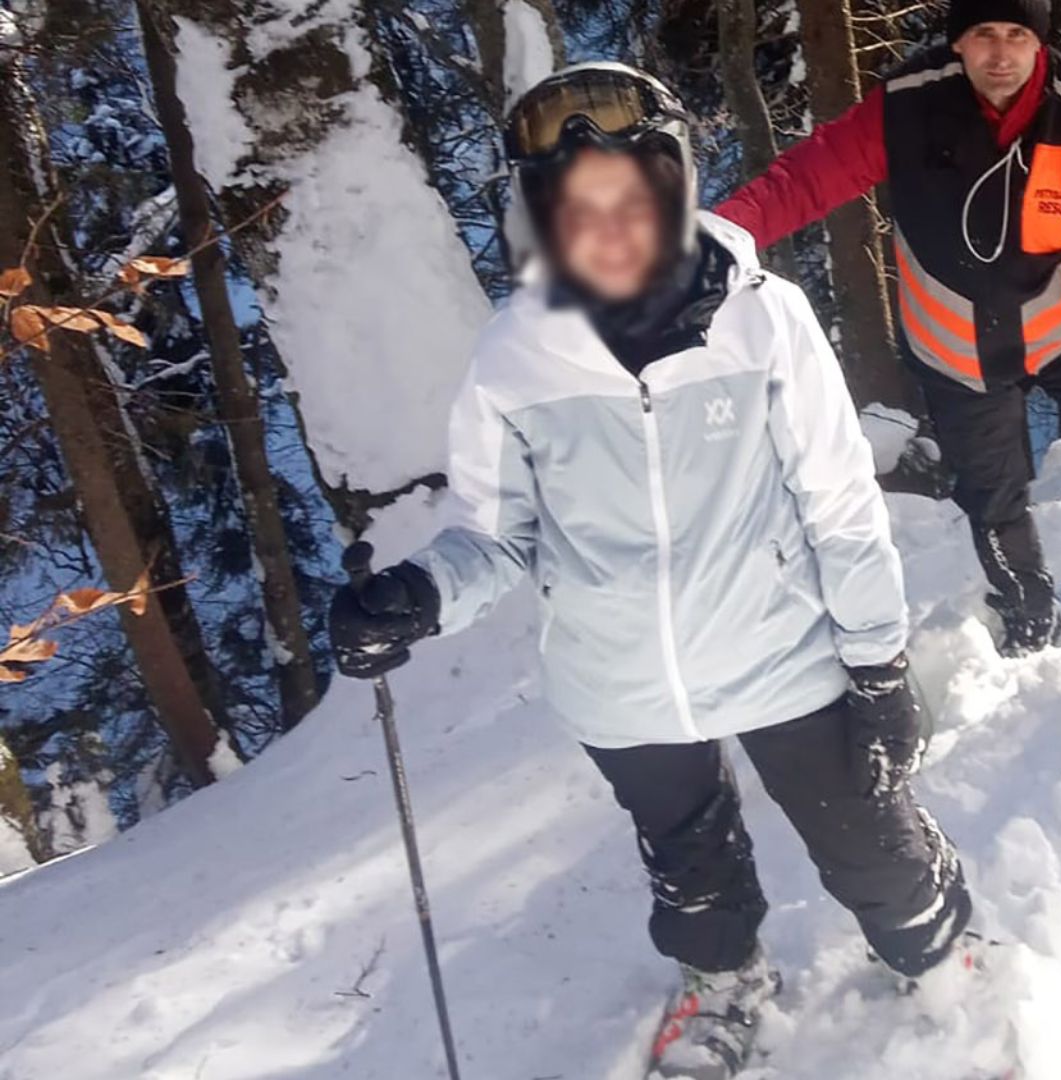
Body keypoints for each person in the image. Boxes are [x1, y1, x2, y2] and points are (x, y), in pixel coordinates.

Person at [326, 63, 974, 1080]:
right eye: (578, 207)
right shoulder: (514, 358)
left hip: (783, 652)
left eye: (631, 195)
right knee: (690, 871)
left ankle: (939, 951)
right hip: (620, 682)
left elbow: (840, 507)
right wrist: (417, 597)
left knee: (870, 844)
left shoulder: (767, 321)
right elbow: (496, 538)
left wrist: (880, 664)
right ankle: (725, 981)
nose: (610, 226)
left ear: (673, 187)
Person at [716, 0, 1061, 726]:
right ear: (959, 41)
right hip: (958, 351)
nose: (1001, 53)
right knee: (993, 499)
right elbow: (805, 180)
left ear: (1038, 41)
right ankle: (1026, 610)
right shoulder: (906, 106)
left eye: (1018, 34)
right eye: (984, 34)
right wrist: (713, 241)